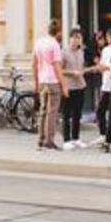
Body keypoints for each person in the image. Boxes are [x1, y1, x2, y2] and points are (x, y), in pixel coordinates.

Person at [33, 19, 68, 151]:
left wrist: (36, 82)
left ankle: (41, 139)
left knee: (43, 110)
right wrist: (64, 85)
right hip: (53, 81)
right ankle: (49, 140)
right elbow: (57, 67)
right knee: (52, 111)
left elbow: (34, 64)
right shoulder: (55, 45)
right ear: (58, 32)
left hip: (42, 80)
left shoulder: (39, 42)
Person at [61, 28, 88, 151]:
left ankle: (76, 138)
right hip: (69, 86)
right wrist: (72, 73)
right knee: (67, 114)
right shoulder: (64, 52)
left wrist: (83, 71)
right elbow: (59, 70)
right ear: (70, 38)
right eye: (75, 37)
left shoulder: (81, 52)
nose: (77, 40)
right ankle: (66, 140)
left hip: (80, 85)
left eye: (79, 38)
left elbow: (82, 66)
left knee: (78, 114)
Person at [91, 29, 111, 147]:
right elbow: (101, 64)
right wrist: (99, 67)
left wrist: (105, 67)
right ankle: (103, 134)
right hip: (105, 84)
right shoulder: (106, 50)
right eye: (108, 38)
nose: (110, 40)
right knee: (100, 110)